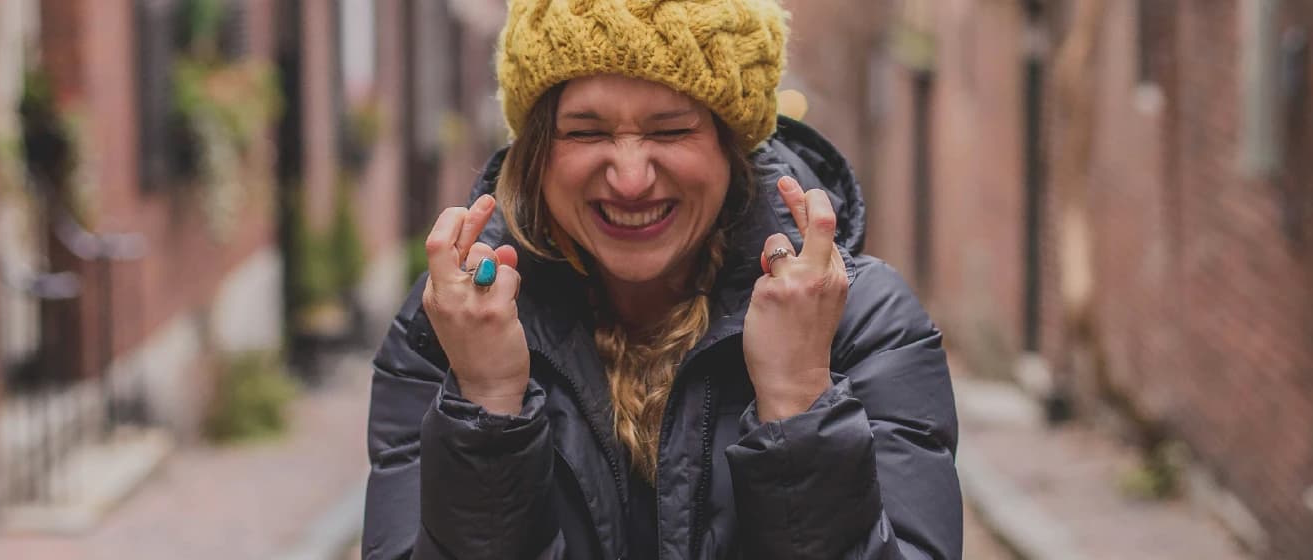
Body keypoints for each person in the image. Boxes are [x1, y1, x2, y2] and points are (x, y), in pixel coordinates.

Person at [362, 1, 961, 558]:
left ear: (731, 148)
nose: (630, 179)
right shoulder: (447, 328)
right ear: (538, 152)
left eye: (671, 130)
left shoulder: (862, 322)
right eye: (586, 131)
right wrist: (487, 408)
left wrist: (799, 401)